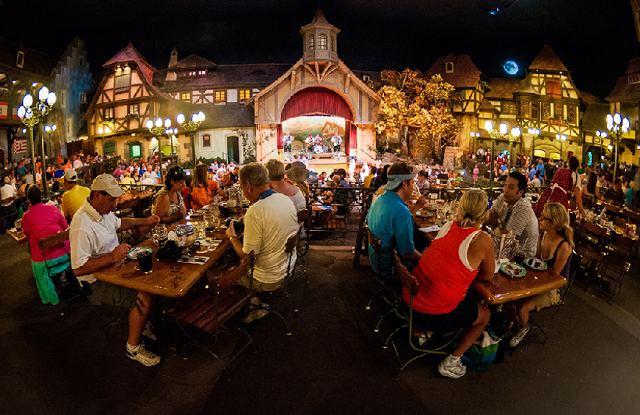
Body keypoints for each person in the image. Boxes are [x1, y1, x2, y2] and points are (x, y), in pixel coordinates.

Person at [70, 174, 161, 366]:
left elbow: (120, 224)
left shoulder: (102, 212)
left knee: (154, 275)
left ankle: (142, 323)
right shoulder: (81, 224)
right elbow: (78, 269)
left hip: (115, 268)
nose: (115, 204)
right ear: (96, 196)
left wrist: (146, 221)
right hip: (95, 282)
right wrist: (113, 256)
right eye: (111, 199)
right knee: (144, 294)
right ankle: (133, 348)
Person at [406, 189, 493, 379]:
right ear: (485, 213)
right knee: (485, 314)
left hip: (411, 302)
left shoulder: (447, 226)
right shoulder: (482, 238)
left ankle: (423, 333)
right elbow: (487, 275)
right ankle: (452, 360)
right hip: (434, 314)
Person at [224, 163, 299, 322]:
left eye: (242, 188)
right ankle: (255, 303)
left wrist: (232, 237)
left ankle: (253, 306)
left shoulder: (256, 211)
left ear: (249, 186)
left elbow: (247, 257)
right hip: (287, 267)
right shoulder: (284, 200)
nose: (243, 193)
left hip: (267, 278)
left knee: (225, 273)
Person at [507, 203, 573, 347]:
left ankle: (524, 328)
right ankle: (518, 324)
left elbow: (555, 277)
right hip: (538, 280)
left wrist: (528, 285)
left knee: (522, 307)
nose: (540, 219)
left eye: (544, 218)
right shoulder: (542, 236)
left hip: (554, 289)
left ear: (554, 223)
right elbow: (535, 261)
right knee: (509, 300)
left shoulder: (564, 246)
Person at [366, 162, 425, 279]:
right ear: (404, 184)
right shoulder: (401, 212)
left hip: (376, 262)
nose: (413, 187)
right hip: (390, 269)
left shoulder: (378, 199)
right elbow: (407, 253)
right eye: (412, 183)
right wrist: (424, 256)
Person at [21, 185, 71, 305]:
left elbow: (28, 237)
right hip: (64, 255)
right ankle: (63, 278)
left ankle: (51, 295)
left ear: (28, 200)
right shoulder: (53, 209)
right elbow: (65, 227)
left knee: (34, 251)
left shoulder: (26, 216)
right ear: (41, 196)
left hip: (44, 261)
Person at [487, 172, 539, 257]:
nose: (505, 190)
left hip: (522, 256)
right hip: (504, 249)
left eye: (510, 187)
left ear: (521, 192)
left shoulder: (524, 207)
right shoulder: (502, 198)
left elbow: (506, 235)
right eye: (505, 185)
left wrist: (493, 223)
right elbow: (489, 217)